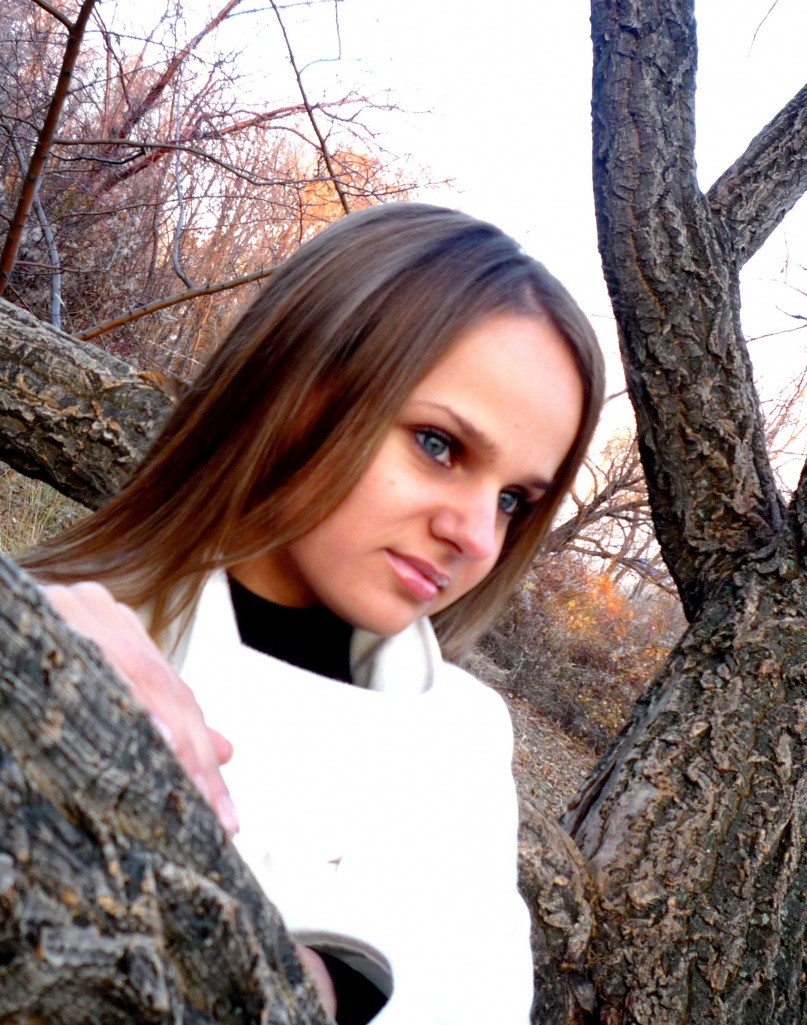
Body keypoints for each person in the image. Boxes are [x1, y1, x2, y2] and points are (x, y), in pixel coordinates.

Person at [22, 203, 604, 1024]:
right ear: (299, 386)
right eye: (438, 445)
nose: (477, 535)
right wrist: (27, 659)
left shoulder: (466, 739)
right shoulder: (70, 626)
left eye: (513, 498)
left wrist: (317, 983)